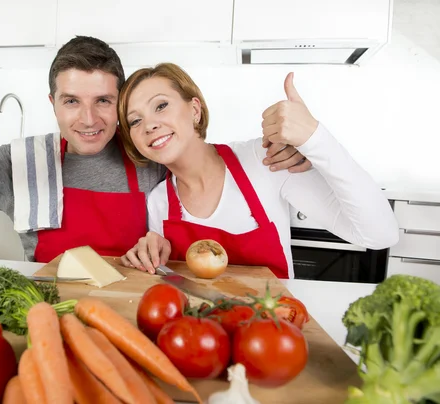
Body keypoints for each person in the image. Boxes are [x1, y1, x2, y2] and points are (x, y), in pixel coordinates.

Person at [0, 37, 312, 263]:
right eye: (71, 101)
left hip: (138, 319)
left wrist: (291, 154)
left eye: (102, 101)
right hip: (50, 319)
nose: (88, 119)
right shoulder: (23, 163)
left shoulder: (149, 153)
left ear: (120, 103)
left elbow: (205, 162)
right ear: (52, 104)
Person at [118, 63, 399, 279]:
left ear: (195, 110)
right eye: (135, 120)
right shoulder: (158, 203)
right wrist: (148, 256)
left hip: (273, 338)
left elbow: (380, 235)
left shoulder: (265, 162)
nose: (149, 125)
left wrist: (314, 138)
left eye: (161, 105)